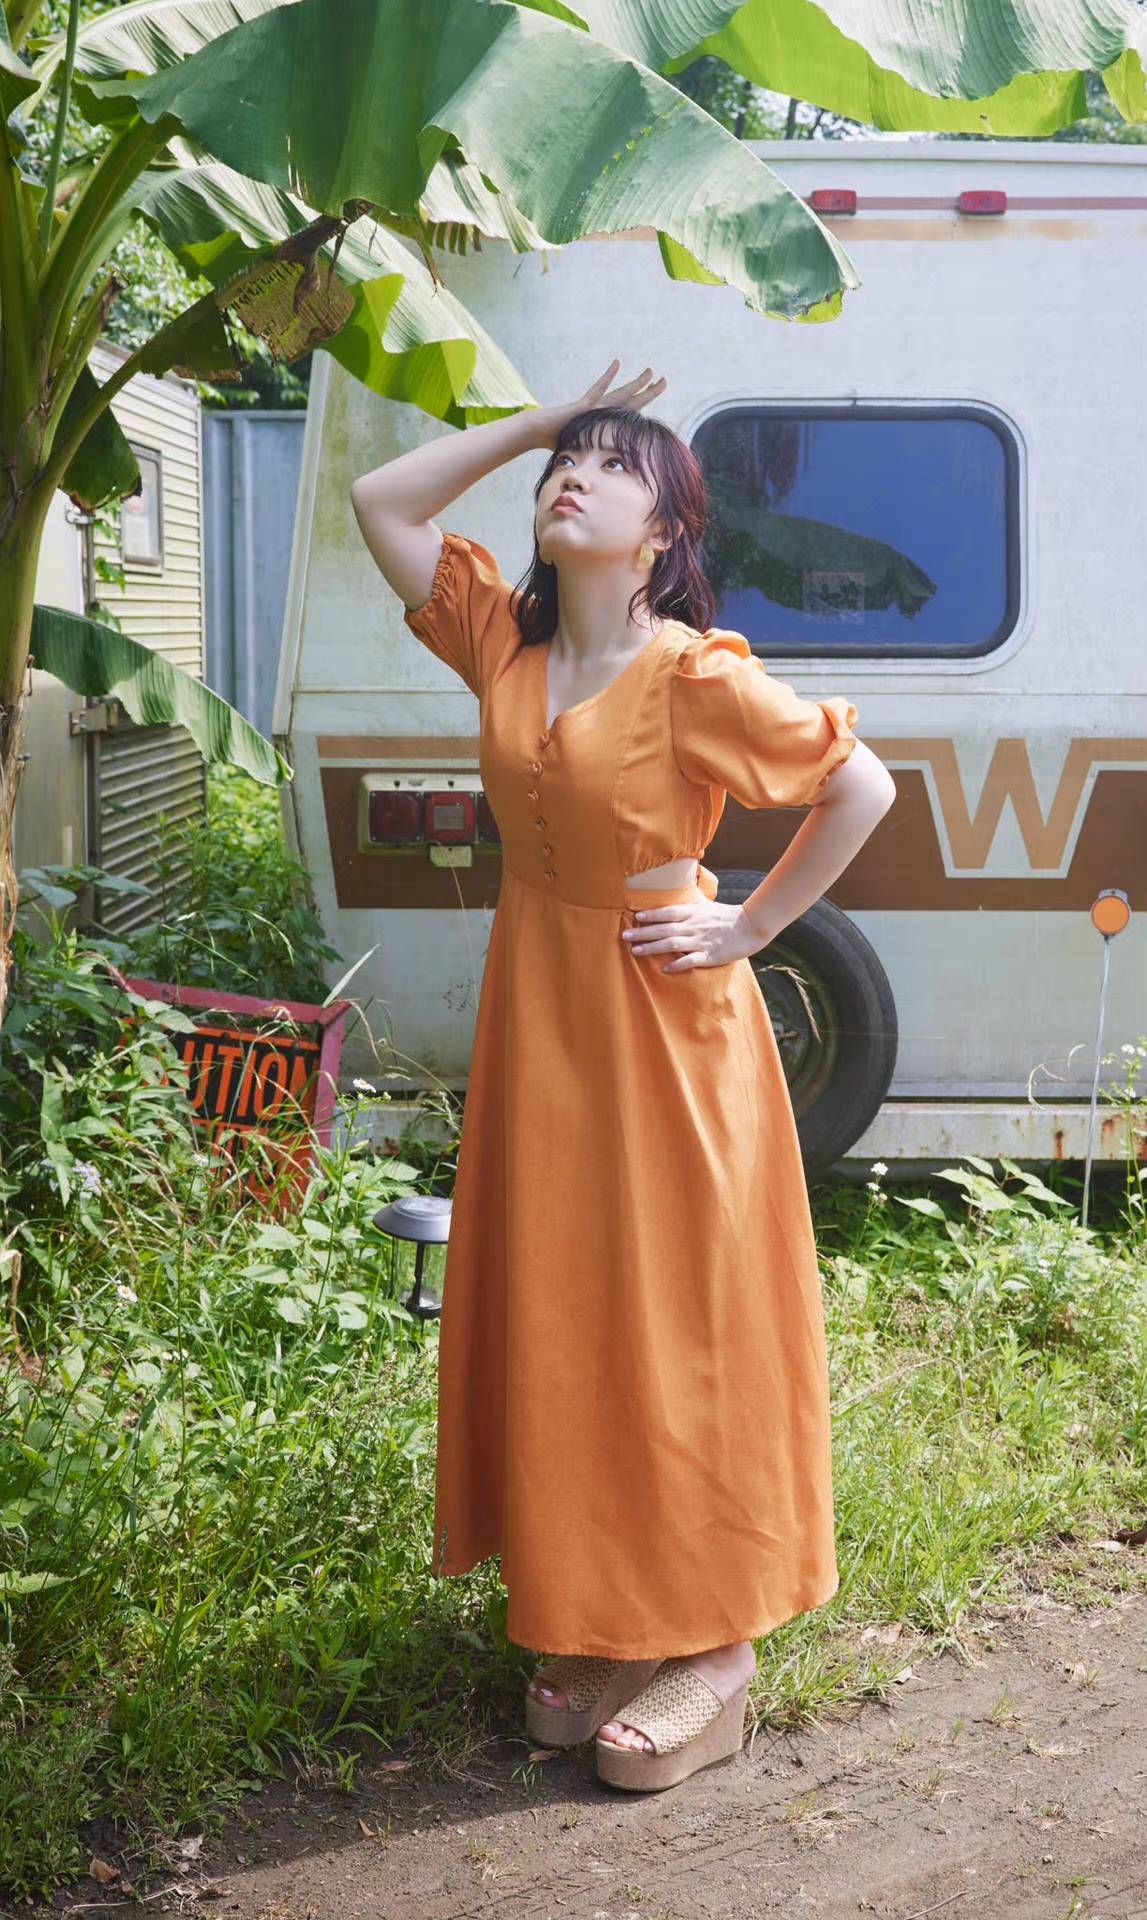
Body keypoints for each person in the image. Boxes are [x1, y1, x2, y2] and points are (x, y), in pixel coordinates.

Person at [350, 360, 896, 1792]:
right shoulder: (505, 641)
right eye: (561, 468)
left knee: (683, 1323)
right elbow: (380, 500)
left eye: (609, 467)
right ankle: (603, 1618)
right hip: (544, 1026)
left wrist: (752, 925)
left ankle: (718, 1647)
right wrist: (544, 422)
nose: (569, 480)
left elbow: (863, 786)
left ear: (664, 531)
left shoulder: (693, 674)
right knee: (571, 1312)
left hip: (668, 1040)